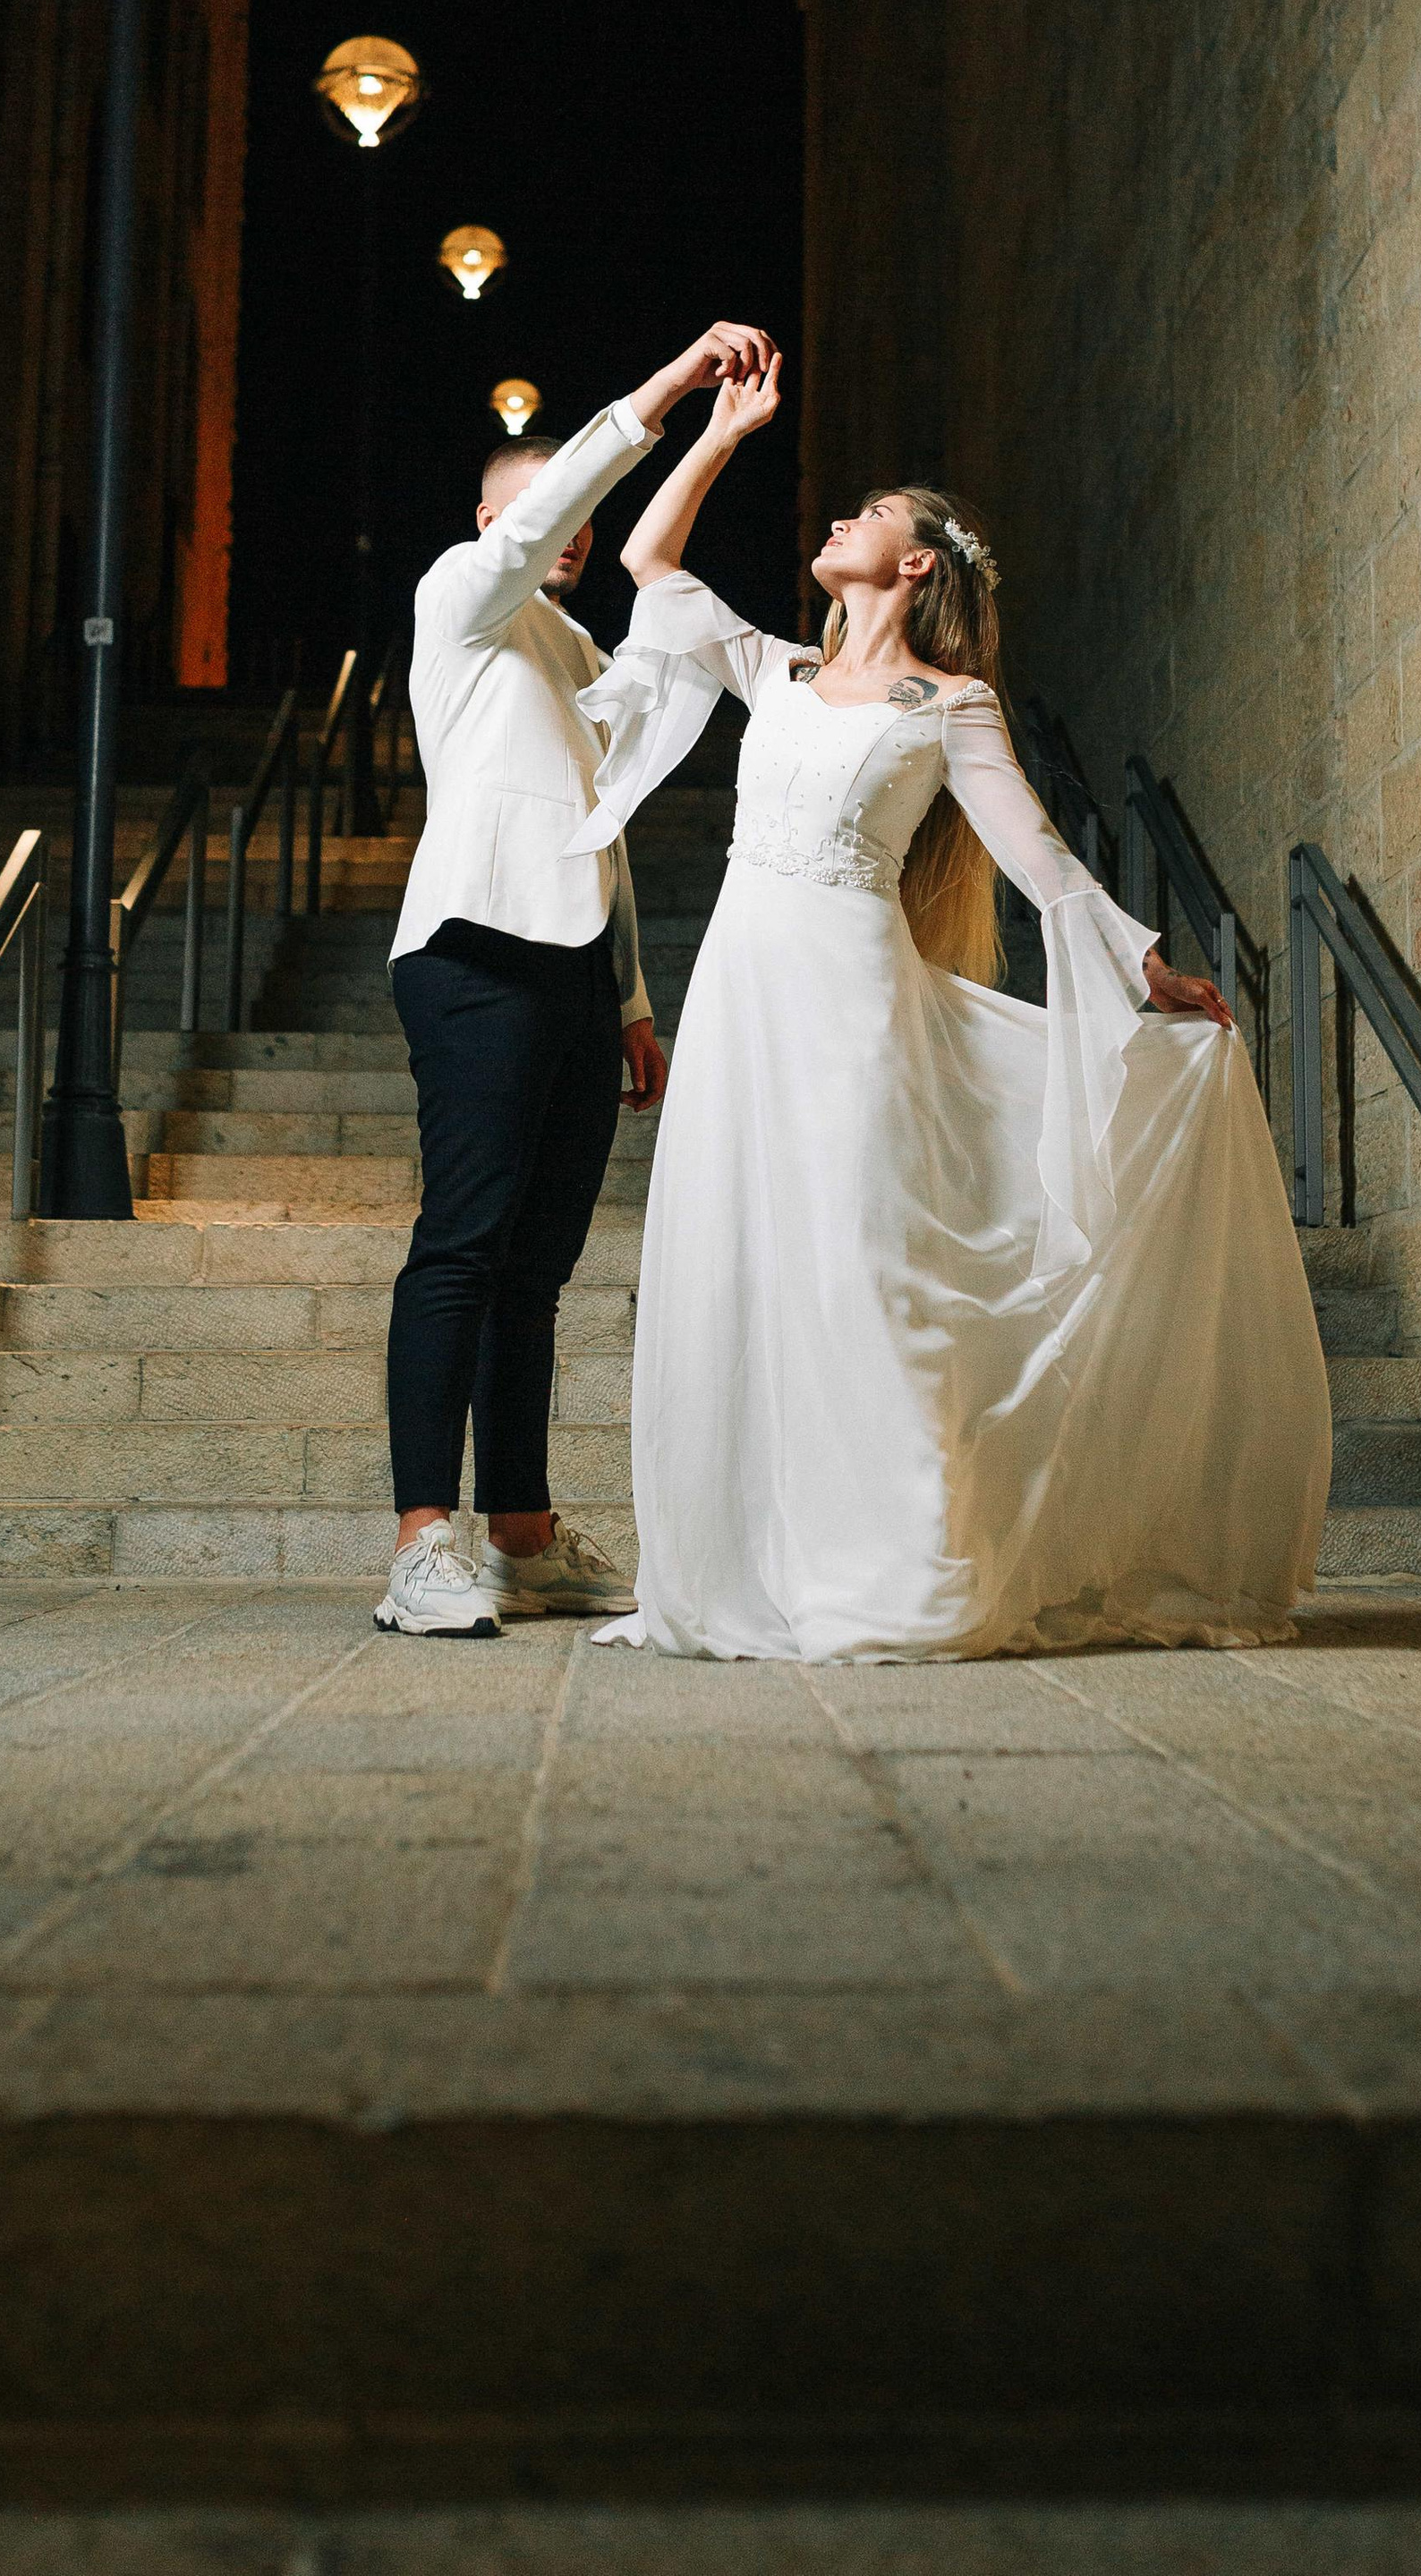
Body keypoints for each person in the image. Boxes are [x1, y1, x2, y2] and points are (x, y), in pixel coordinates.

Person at [566, 359, 1332, 1662]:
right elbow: (647, 559)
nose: (839, 520)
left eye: (869, 514)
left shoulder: (949, 703)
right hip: (744, 990)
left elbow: (1033, 847)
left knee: (865, 1255)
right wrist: (721, 425)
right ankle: (757, 1564)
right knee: (743, 1257)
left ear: (916, 564)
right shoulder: (778, 670)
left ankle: (904, 1562)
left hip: (853, 998)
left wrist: (1136, 961)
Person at [375, 319, 777, 1640]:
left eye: (580, 520)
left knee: (537, 1269)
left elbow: (605, 831)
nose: (572, 531)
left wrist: (632, 1000)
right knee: (463, 1242)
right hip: (473, 952)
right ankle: (421, 1544)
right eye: (543, 508)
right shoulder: (461, 600)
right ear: (495, 521)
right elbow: (545, 512)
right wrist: (668, 391)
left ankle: (525, 1537)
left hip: (573, 972)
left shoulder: (585, 658)